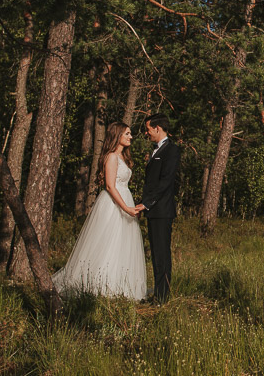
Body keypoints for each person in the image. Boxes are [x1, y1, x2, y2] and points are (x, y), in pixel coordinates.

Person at [53, 122, 147, 300]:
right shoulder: (111, 157)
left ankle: (122, 286)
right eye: (127, 133)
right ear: (117, 135)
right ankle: (99, 285)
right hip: (113, 203)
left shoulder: (123, 158)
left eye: (130, 134)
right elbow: (110, 186)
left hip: (125, 198)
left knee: (123, 244)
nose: (130, 137)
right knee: (107, 243)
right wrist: (126, 208)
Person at [134, 113, 180, 303]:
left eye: (148, 129)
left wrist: (147, 203)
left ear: (157, 128)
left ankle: (162, 298)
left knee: (162, 254)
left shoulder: (172, 150)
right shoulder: (156, 150)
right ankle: (159, 294)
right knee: (156, 254)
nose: (147, 133)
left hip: (162, 210)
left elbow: (166, 182)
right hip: (154, 211)